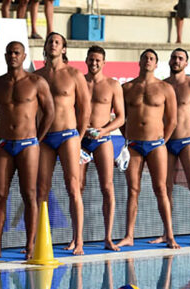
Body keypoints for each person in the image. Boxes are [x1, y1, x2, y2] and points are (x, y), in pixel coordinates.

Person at [0, 41, 54, 259]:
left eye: (16, 53)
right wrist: (0, 134)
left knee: (30, 194)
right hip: (4, 144)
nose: (12, 56)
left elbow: (49, 113)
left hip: (28, 145)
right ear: (5, 56)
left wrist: (36, 139)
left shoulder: (36, 82)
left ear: (24, 57)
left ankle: (30, 245)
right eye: (9, 52)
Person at [115, 49, 180, 249]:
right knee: (133, 190)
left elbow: (173, 120)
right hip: (134, 144)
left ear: (156, 64)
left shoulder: (165, 88)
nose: (148, 61)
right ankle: (129, 235)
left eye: (152, 58)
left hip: (156, 145)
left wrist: (162, 140)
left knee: (161, 189)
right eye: (145, 58)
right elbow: (120, 117)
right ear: (140, 62)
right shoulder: (127, 87)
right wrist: (128, 136)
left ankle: (169, 234)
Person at [35, 32, 90, 255]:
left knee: (73, 187)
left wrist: (80, 135)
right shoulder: (37, 77)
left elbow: (85, 108)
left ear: (64, 49)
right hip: (45, 137)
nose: (53, 45)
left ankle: (78, 240)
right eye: (50, 42)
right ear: (45, 47)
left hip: (68, 135)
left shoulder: (74, 74)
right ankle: (39, 241)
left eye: (57, 42)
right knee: (41, 190)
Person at [156, 48, 190, 245]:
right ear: (169, 62)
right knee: (165, 188)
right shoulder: (162, 86)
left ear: (186, 63)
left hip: (187, 142)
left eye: (180, 58)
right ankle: (166, 232)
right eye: (174, 58)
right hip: (166, 143)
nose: (176, 61)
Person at [81, 45, 125, 251]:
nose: (94, 63)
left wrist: (104, 131)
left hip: (102, 139)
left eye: (98, 60)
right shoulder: (79, 82)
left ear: (104, 62)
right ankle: (77, 238)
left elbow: (122, 117)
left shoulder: (113, 85)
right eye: (91, 59)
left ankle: (108, 237)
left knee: (107, 188)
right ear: (86, 60)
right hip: (80, 139)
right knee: (76, 189)